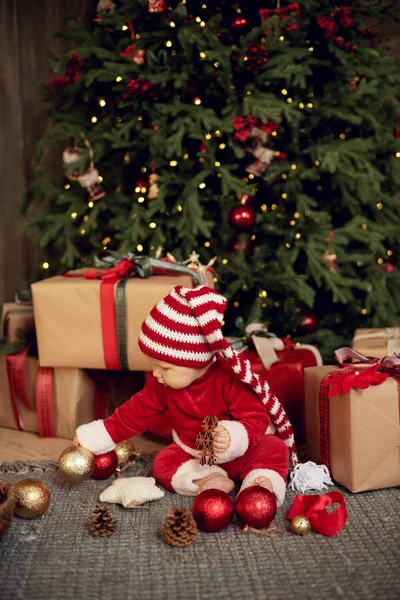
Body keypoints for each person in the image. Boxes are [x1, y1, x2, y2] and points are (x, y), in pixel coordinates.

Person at [75, 284, 330, 508]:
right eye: (153, 365)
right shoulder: (161, 386)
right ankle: (207, 479)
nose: (157, 374)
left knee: (273, 448)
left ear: (195, 360)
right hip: (197, 455)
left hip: (243, 453)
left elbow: (256, 418)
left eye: (165, 367)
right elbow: (133, 415)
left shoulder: (228, 379)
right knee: (163, 462)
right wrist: (97, 437)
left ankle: (260, 483)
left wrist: (233, 436)